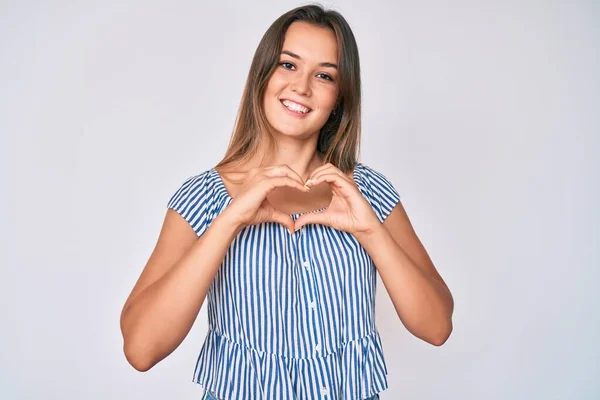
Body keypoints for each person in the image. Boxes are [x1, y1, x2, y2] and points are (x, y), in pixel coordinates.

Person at [120, 4, 454, 400]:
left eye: (325, 75)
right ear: (263, 74)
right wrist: (229, 221)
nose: (302, 87)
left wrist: (371, 233)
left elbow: (436, 328)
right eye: (289, 65)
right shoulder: (204, 198)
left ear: (340, 97)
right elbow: (141, 350)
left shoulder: (367, 193)